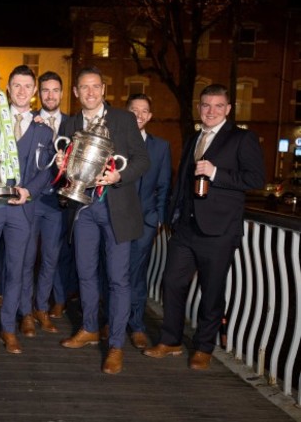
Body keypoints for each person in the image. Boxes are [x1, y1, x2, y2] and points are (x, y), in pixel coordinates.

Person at [143, 84, 265, 369]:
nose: (211, 111)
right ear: (199, 108)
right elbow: (184, 180)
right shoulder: (194, 138)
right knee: (172, 282)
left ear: (228, 109)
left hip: (219, 230)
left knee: (212, 290)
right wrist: (173, 215)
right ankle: (170, 340)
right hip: (185, 227)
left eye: (218, 106)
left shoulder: (242, 138)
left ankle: (203, 347)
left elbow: (255, 179)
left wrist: (216, 173)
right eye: (206, 105)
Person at [57, 66, 150, 375]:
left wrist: (119, 175)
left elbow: (143, 160)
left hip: (116, 209)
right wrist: (63, 163)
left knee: (118, 278)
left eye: (96, 87)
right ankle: (89, 328)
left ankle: (116, 346)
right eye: (84, 87)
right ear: (76, 92)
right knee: (85, 272)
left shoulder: (123, 119)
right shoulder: (70, 122)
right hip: (83, 210)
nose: (91, 92)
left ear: (104, 89)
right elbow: (69, 165)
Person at [0, 65, 54, 356]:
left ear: (33, 92)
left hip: (21, 207)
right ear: (8, 89)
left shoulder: (44, 130)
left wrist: (30, 190)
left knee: (16, 269)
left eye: (26, 86)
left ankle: (8, 328)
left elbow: (48, 169)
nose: (21, 91)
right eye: (16, 85)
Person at [17, 71, 70, 337]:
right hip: (32, 200)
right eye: (46, 90)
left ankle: (41, 308)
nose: (50, 95)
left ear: (62, 93)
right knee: (26, 259)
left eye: (55, 90)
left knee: (50, 259)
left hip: (57, 202)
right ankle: (25, 312)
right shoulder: (29, 120)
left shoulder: (73, 124)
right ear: (39, 93)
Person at [124, 93, 171, 349]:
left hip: (146, 220)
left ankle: (137, 325)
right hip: (117, 219)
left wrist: (159, 221)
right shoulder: (116, 143)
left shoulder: (160, 147)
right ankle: (114, 320)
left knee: (137, 272)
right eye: (134, 110)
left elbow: (164, 185)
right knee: (115, 271)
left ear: (150, 116)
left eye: (144, 111)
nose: (139, 115)